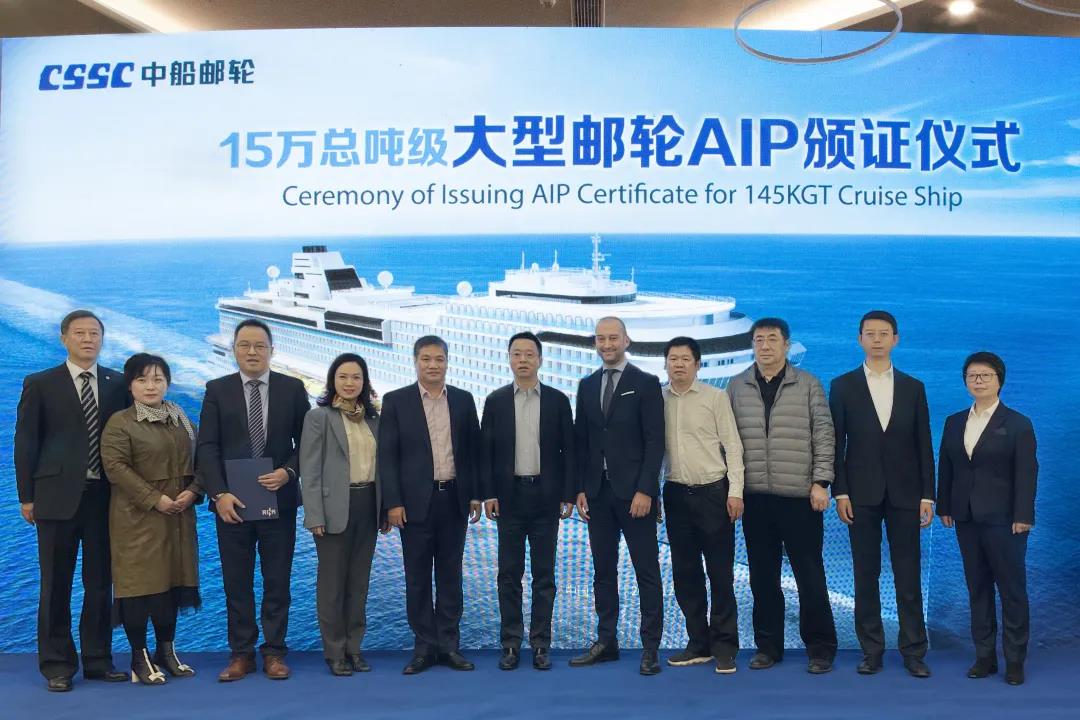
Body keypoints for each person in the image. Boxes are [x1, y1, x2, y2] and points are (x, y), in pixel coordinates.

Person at [14, 310, 129, 692]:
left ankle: (98, 660)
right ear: (64, 338)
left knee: (100, 584)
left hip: (105, 498)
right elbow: (26, 441)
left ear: (102, 339)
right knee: (55, 585)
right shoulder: (40, 383)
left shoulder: (118, 383)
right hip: (54, 498)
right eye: (79, 333)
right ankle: (57, 665)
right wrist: (26, 496)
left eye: (94, 333)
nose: (87, 339)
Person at [197, 319, 310, 682]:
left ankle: (274, 652)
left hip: (279, 502)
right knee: (237, 583)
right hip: (231, 505)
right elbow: (207, 447)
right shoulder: (217, 389)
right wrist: (218, 494)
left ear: (271, 350)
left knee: (277, 581)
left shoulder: (292, 388)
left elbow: (307, 442)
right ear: (234, 350)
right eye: (244, 345)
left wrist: (288, 472)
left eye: (259, 345)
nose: (252, 352)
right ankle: (241, 654)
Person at [728, 317, 838, 674]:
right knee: (762, 577)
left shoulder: (808, 384)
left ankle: (820, 649)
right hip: (755, 498)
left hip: (800, 498)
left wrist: (821, 482)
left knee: (810, 576)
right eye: (759, 340)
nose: (765, 346)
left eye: (772, 339)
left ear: (786, 345)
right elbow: (728, 441)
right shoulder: (737, 386)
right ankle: (768, 647)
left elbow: (824, 435)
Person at [830, 310, 935, 678]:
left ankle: (914, 651)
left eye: (884, 333)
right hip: (860, 495)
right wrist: (840, 492)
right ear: (860, 339)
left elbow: (924, 444)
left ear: (896, 339)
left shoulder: (913, 387)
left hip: (907, 495)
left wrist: (928, 495)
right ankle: (871, 651)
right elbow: (836, 443)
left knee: (908, 575)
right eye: (870, 333)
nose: (877, 339)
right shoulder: (842, 385)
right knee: (865, 574)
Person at [379, 335, 482, 675]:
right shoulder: (396, 401)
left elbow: (473, 451)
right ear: (415, 361)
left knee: (451, 576)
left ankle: (449, 646)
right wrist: (393, 502)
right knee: (418, 577)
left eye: (439, 359)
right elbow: (387, 457)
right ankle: (424, 648)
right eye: (426, 359)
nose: (433, 365)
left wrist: (475, 495)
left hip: (454, 500)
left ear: (447, 362)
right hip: (413, 505)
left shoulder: (464, 400)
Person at [570, 316, 665, 676]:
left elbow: (655, 441)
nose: (607, 344)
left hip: (635, 496)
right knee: (603, 572)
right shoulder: (586, 385)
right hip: (597, 494)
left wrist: (645, 489)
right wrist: (581, 487)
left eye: (613, 338)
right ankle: (606, 641)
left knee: (646, 572)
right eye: (601, 338)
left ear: (627, 340)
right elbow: (582, 440)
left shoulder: (646, 383)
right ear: (595, 343)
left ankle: (650, 647)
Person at [100, 353, 201, 685]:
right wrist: (154, 499)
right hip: (137, 519)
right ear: (130, 385)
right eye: (142, 379)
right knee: (139, 587)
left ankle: (166, 651)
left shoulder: (181, 418)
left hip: (178, 516)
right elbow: (115, 467)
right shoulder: (121, 422)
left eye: (158, 379)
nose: (150, 386)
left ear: (167, 383)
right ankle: (139, 658)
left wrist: (194, 491)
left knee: (171, 584)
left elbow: (202, 458)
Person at [937, 352, 1037, 686]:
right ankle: (984, 657)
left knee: (1011, 590)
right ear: (965, 381)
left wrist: (1023, 515)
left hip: (1006, 520)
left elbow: (1027, 473)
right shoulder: (954, 422)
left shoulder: (1018, 424)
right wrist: (945, 506)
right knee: (977, 588)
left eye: (985, 375)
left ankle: (1015, 659)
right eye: (972, 376)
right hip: (965, 518)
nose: (978, 381)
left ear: (999, 380)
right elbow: (947, 466)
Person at [480, 332, 575, 671]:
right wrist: (489, 493)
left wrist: (568, 494)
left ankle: (540, 644)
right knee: (508, 574)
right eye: (517, 354)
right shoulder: (495, 401)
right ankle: (510, 643)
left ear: (540, 360)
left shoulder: (558, 401)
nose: (523, 360)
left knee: (544, 575)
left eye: (529, 354)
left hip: (546, 498)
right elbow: (486, 452)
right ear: (509, 359)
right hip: (508, 498)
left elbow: (569, 451)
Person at [661, 336, 745, 675]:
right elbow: (654, 452)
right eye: (673, 358)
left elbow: (733, 446)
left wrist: (735, 492)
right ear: (665, 364)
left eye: (685, 359)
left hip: (714, 493)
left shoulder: (715, 397)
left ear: (697, 364)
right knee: (685, 574)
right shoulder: (658, 400)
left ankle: (725, 648)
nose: (679, 364)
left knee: (720, 574)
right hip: (675, 494)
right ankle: (698, 644)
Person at [300, 353, 385, 677]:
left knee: (359, 585)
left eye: (356, 377)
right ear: (333, 380)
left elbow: (382, 468)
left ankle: (354, 648)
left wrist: (384, 508)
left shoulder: (373, 419)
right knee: (332, 586)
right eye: (343, 377)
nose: (350, 383)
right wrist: (314, 515)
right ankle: (334, 652)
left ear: (365, 382)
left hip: (368, 505)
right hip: (333, 509)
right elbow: (309, 470)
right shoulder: (318, 417)